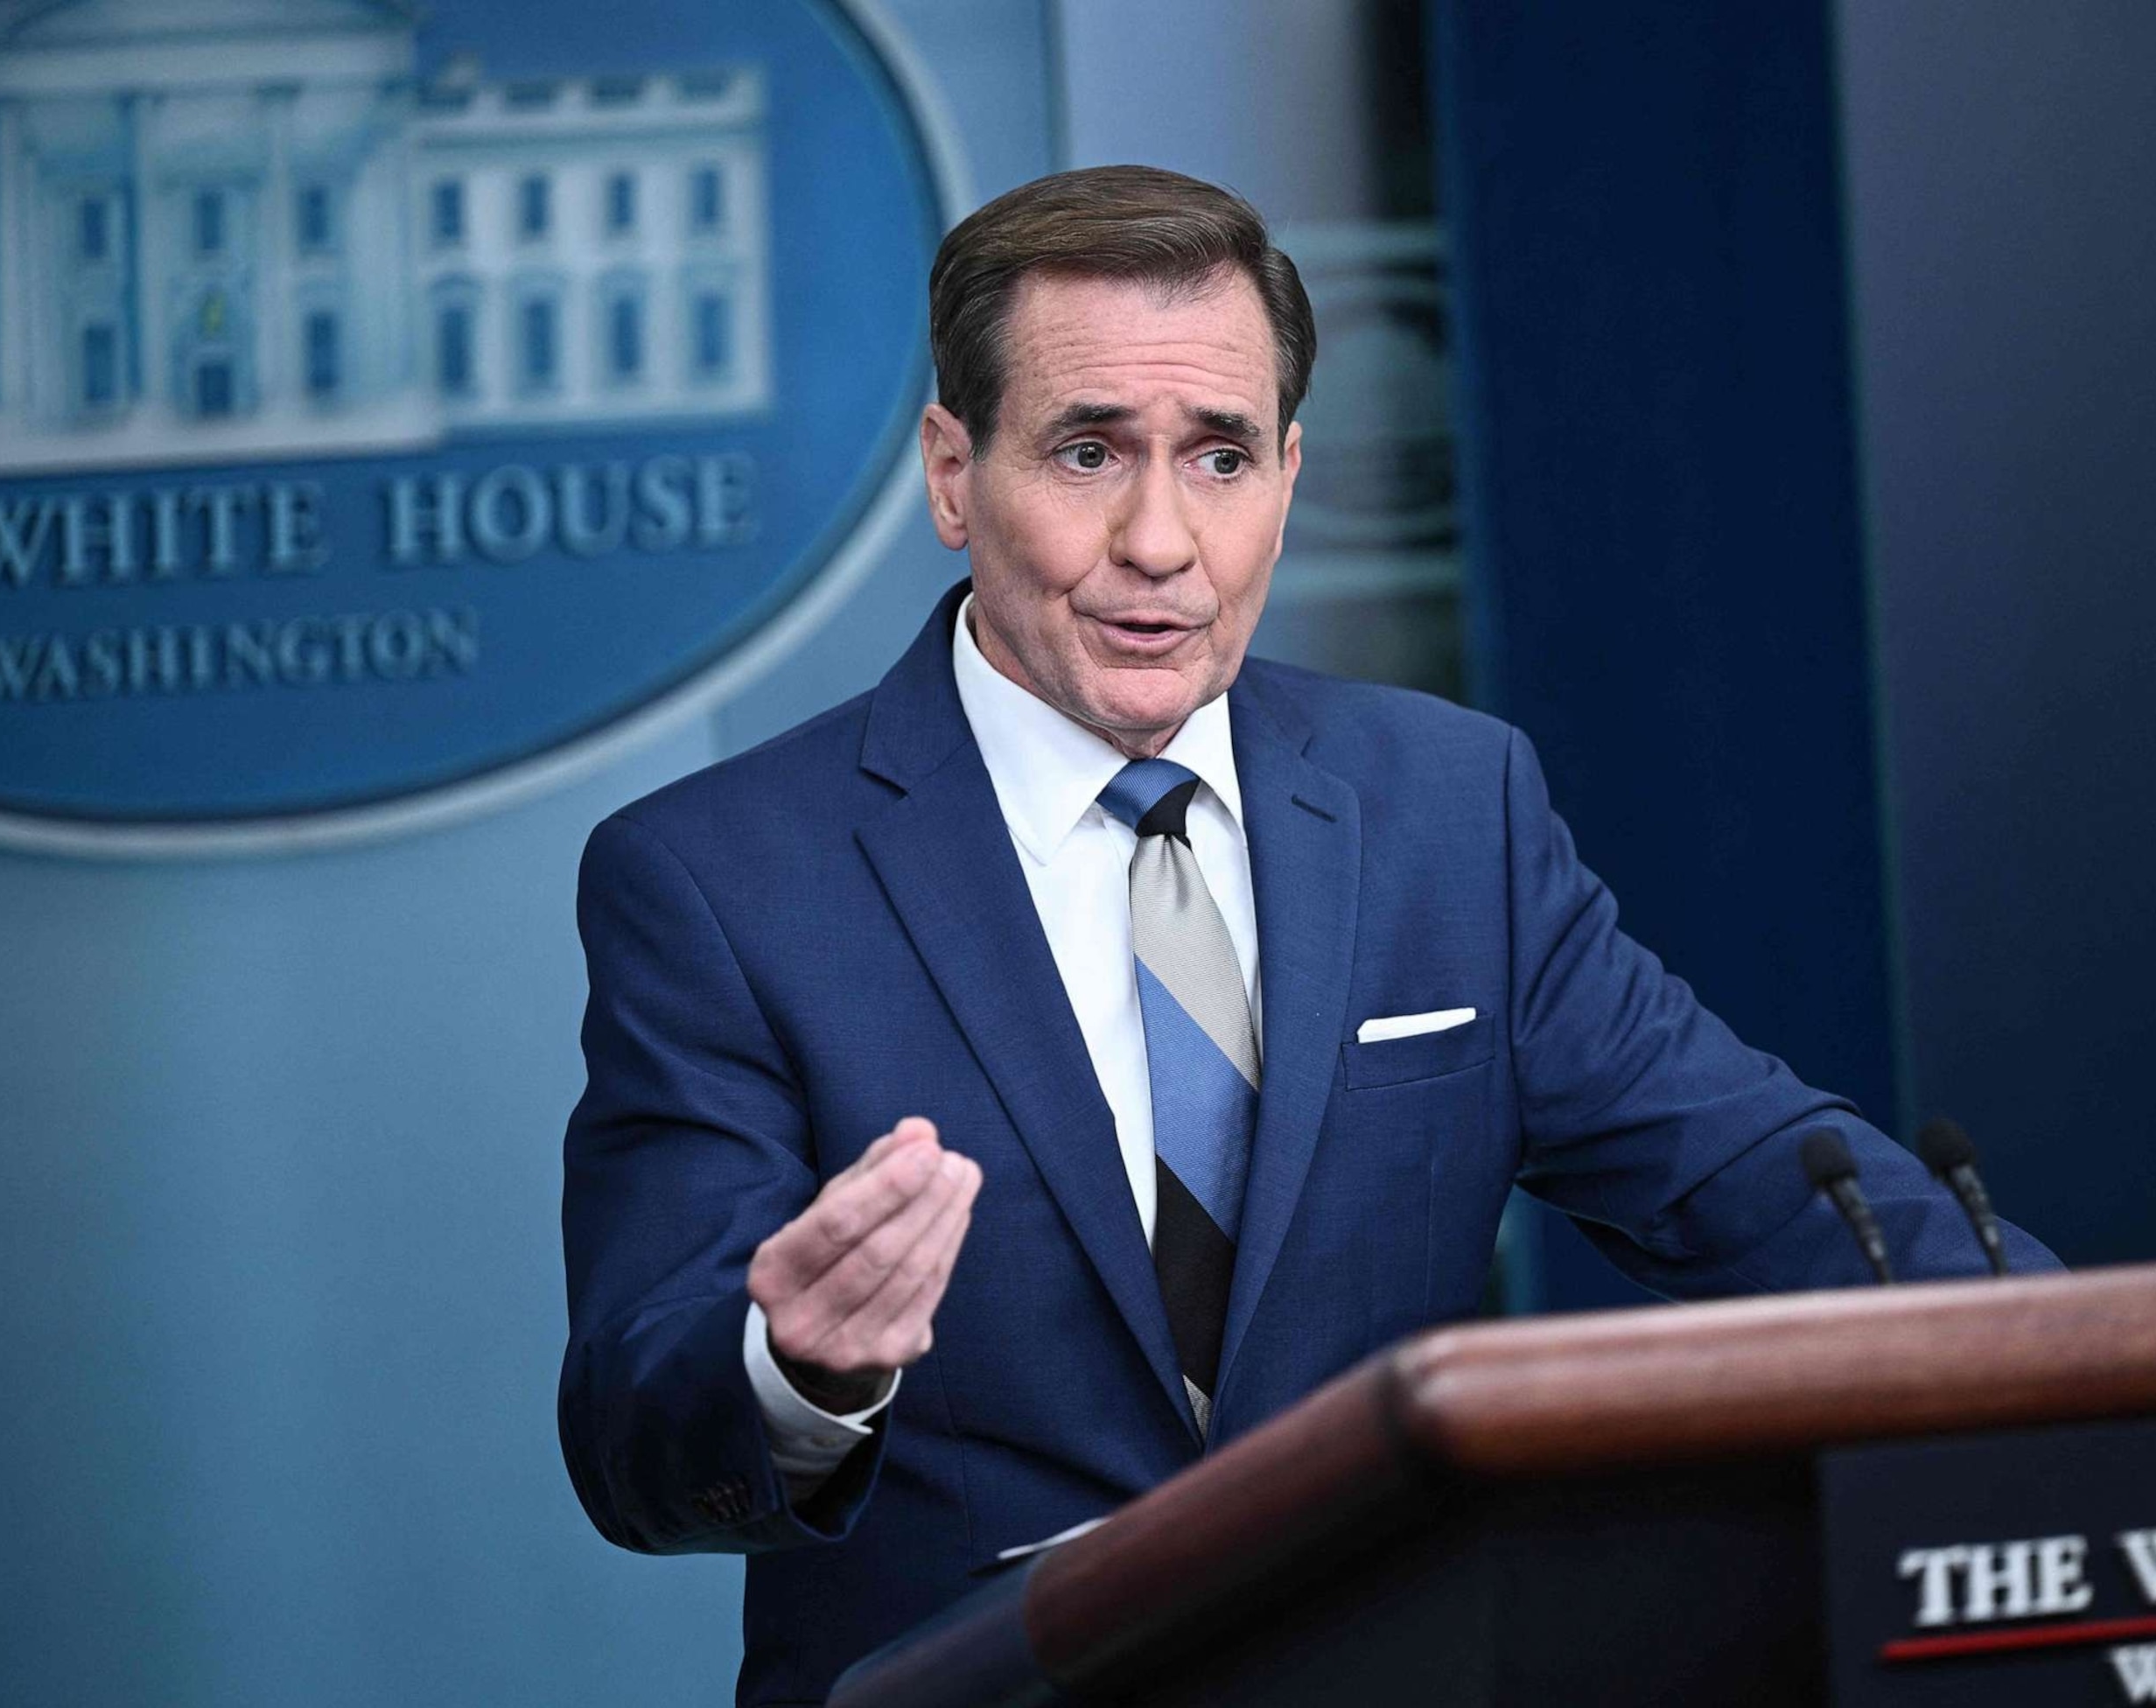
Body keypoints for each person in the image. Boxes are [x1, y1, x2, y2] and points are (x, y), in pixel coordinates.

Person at [556, 164, 2055, 1704]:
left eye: (1218, 458)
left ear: (1287, 475)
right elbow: (633, 1442)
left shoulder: (1444, 804)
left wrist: (2099, 1369)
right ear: (954, 475)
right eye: (1088, 453)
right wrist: (798, 1366)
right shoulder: (718, 879)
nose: (1159, 539)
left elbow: (1756, 1182)